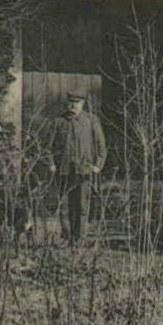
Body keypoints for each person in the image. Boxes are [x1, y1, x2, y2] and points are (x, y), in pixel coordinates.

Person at [43, 92, 106, 244]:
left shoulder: (91, 121)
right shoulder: (58, 122)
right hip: (64, 171)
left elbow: (101, 147)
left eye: (77, 102)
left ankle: (80, 238)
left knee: (82, 206)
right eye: (70, 102)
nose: (73, 105)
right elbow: (47, 148)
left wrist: (98, 165)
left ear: (82, 104)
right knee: (64, 206)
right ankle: (66, 237)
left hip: (84, 171)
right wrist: (51, 164)